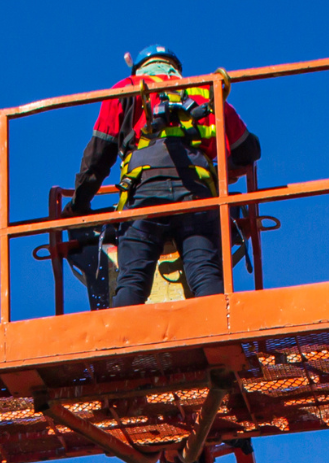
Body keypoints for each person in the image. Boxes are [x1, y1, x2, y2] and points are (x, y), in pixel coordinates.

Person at [64, 46, 260, 308]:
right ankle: (221, 337)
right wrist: (229, 168)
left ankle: (125, 344)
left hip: (145, 192)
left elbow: (97, 157)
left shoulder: (129, 86)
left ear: (141, 68)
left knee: (132, 281)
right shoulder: (206, 90)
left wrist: (78, 206)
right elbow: (249, 149)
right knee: (205, 274)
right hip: (197, 193)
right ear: (175, 68)